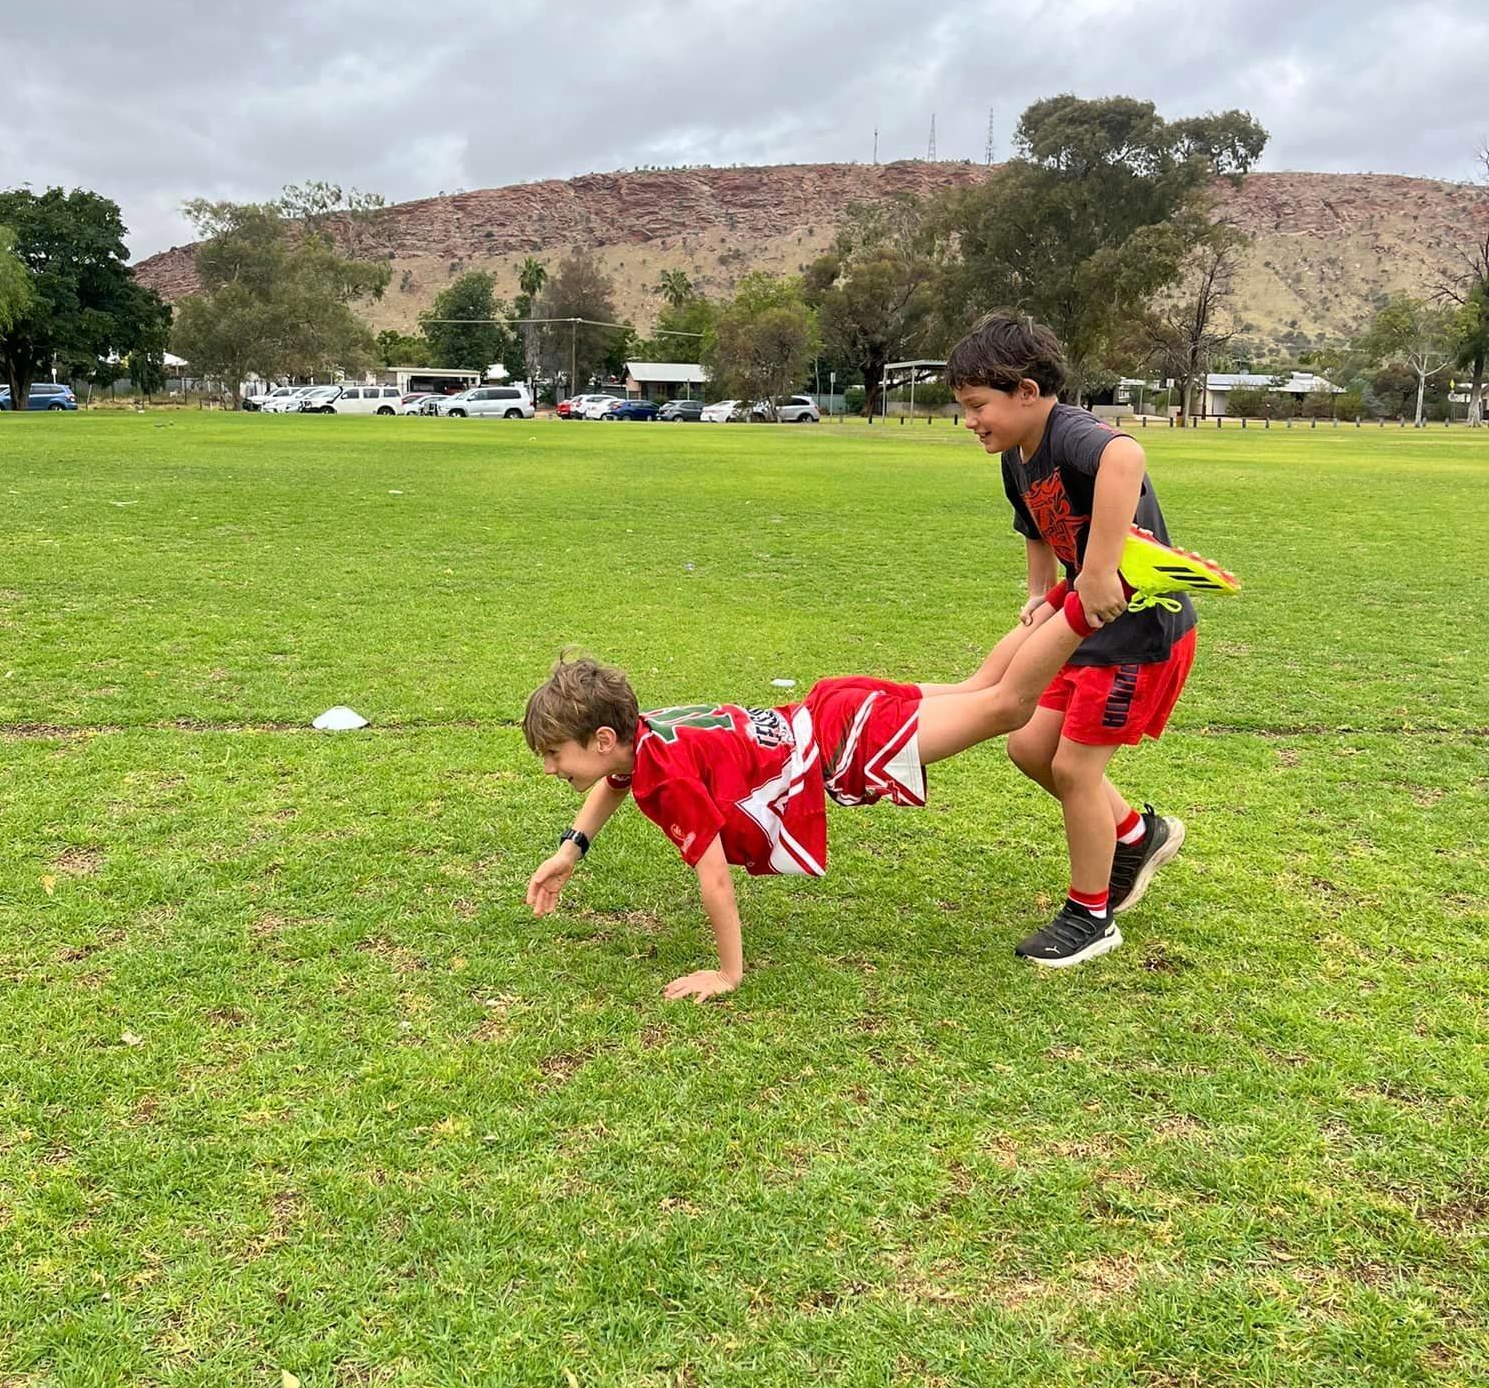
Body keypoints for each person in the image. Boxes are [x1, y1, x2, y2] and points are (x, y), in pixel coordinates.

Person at [521, 532, 1230, 1001]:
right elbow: (614, 784)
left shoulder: (663, 779)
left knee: (1007, 706)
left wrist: (728, 972)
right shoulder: (651, 736)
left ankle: (1090, 598)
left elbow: (713, 878)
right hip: (832, 706)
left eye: (557, 755)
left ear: (607, 736)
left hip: (844, 743)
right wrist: (569, 852)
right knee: (983, 684)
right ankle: (1071, 592)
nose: (553, 769)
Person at [947, 310, 1214, 969]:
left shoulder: (1071, 433)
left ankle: (1092, 917)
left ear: (1028, 393)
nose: (970, 420)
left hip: (1140, 632)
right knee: (1030, 747)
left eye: (979, 405)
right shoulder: (1016, 455)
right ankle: (1134, 833)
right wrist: (1041, 592)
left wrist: (1097, 571)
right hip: (1084, 626)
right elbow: (1035, 523)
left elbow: (1127, 457)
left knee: (1074, 769)